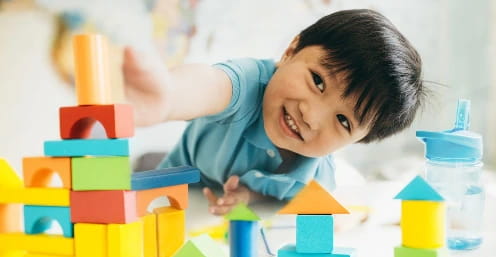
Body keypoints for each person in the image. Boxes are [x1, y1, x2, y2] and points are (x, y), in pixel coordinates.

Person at [123, 9, 425, 215]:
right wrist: (168, 96)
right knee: (139, 177)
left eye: (343, 121)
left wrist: (249, 195)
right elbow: (211, 85)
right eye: (317, 81)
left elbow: (282, 194)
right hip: (181, 172)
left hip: (217, 200)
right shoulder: (250, 83)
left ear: (355, 141)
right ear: (290, 51)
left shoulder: (315, 177)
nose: (312, 116)